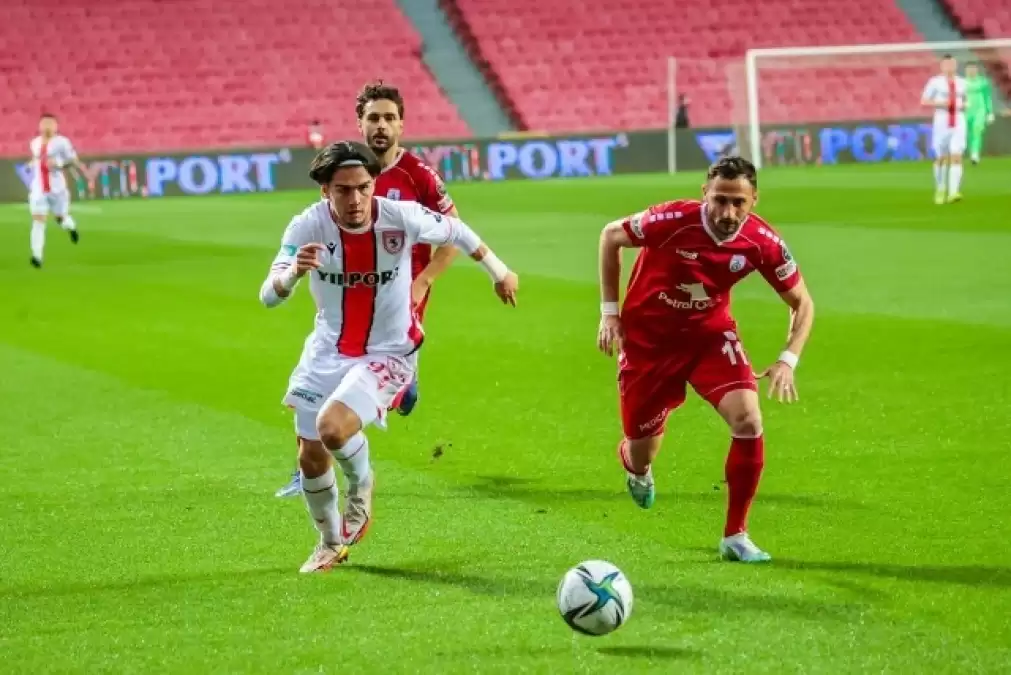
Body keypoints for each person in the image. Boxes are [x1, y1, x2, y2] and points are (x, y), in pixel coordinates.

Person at [259, 141, 518, 572]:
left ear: (374, 184)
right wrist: (292, 275)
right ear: (325, 191)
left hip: (389, 351)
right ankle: (330, 543)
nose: (355, 199)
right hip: (327, 349)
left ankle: (361, 484)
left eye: (363, 187)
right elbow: (268, 295)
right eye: (343, 190)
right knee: (310, 455)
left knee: (332, 428)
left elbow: (457, 231)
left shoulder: (400, 216)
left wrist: (500, 271)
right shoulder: (306, 226)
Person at [596, 156, 815, 563]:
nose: (728, 213)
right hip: (648, 343)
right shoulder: (670, 220)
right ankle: (634, 465)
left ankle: (736, 535)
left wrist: (788, 358)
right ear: (705, 194)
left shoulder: (762, 242)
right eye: (720, 200)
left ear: (754, 200)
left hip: (710, 338)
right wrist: (610, 312)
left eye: (738, 202)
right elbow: (610, 236)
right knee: (642, 450)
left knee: (748, 420)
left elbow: (802, 303)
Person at [274, 81, 460, 498]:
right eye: (373, 118)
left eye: (389, 118)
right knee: (319, 367)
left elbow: (454, 233)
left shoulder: (420, 176)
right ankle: (308, 464)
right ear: (360, 123)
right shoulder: (348, 169)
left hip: (399, 294)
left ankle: (399, 386)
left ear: (401, 125)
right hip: (349, 289)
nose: (381, 126)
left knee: (373, 372)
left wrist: (425, 280)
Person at [28, 113, 87, 267]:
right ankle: (37, 256)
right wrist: (31, 164)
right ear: (39, 126)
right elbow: (36, 158)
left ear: (56, 126)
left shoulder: (62, 142)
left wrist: (59, 164)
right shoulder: (34, 143)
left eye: (50, 124)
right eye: (44, 123)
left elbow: (73, 160)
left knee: (61, 218)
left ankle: (71, 227)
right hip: (39, 189)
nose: (47, 126)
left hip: (58, 189)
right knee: (38, 220)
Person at [920, 54, 968, 204]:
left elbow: (967, 100)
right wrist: (942, 103)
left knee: (956, 155)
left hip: (958, 119)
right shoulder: (935, 82)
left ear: (956, 65)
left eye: (952, 64)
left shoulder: (963, 82)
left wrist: (965, 105)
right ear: (941, 66)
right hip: (942, 120)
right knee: (941, 158)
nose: (949, 67)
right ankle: (940, 188)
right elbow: (924, 101)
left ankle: (953, 192)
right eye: (946, 64)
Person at [963, 62, 995, 165]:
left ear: (977, 70)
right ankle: (966, 152)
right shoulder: (962, 82)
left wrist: (990, 112)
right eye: (969, 69)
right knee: (966, 133)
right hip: (965, 111)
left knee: (977, 131)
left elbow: (987, 97)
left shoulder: (983, 82)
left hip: (980, 110)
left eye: (973, 69)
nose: (971, 71)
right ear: (966, 70)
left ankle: (975, 154)